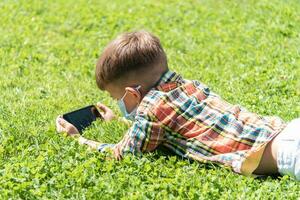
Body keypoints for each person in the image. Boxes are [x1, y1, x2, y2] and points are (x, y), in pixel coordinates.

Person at [56, 30, 300, 180]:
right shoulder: (188, 86)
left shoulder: (152, 110)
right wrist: (121, 120)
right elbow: (166, 123)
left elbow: (124, 153)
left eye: (115, 98)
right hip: (288, 130)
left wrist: (79, 139)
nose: (117, 103)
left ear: (132, 94)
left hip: (289, 155)